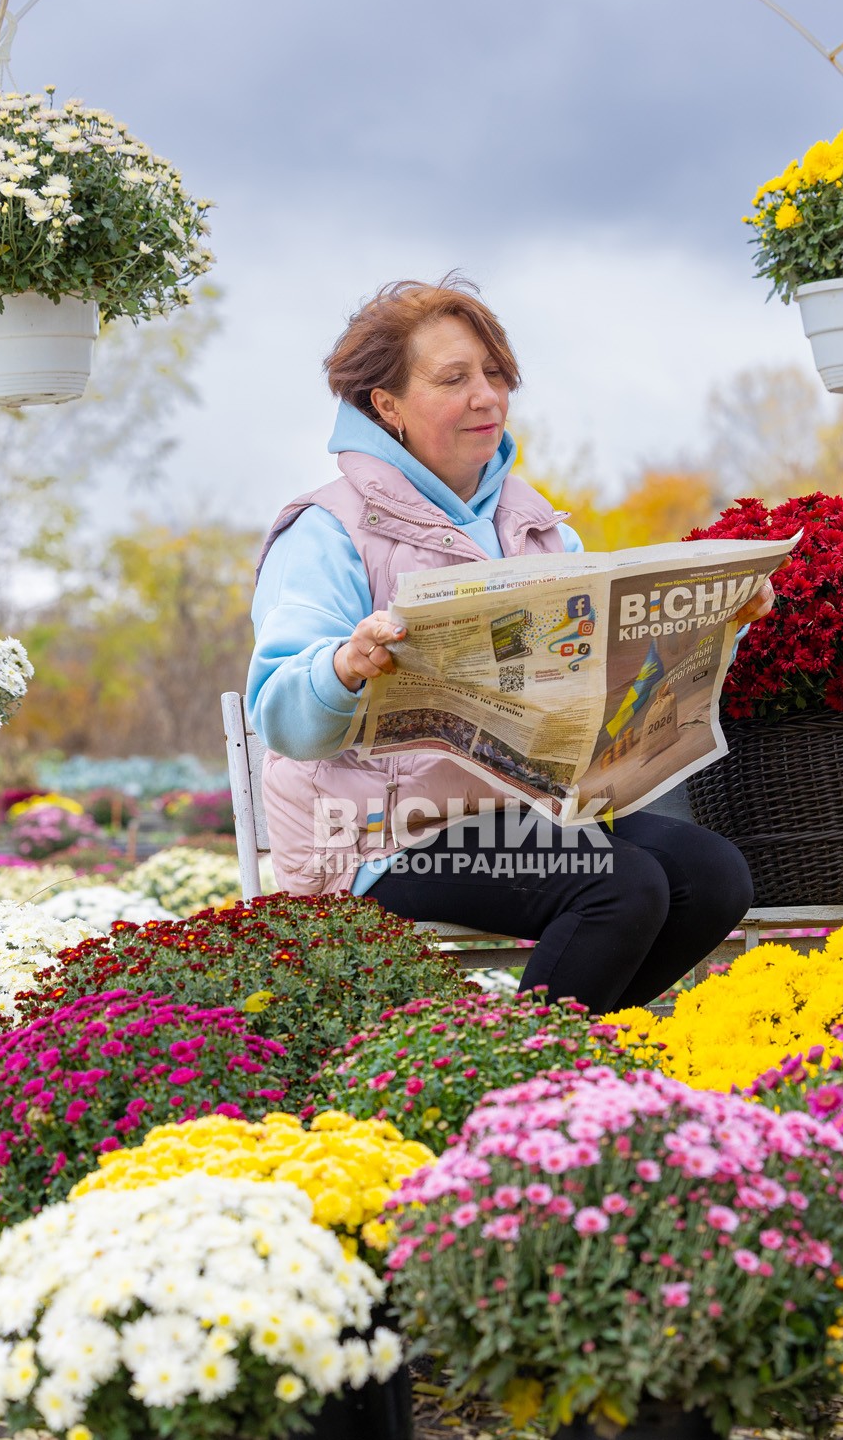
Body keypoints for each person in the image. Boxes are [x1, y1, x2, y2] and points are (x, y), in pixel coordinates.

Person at [247, 276, 773, 1013]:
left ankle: (576, 1059)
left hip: (523, 815)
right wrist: (345, 666)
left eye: (494, 374)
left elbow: (616, 690)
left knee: (714, 876)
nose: (487, 396)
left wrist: (718, 625)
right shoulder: (326, 531)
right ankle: (519, 1083)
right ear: (385, 405)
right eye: (453, 378)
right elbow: (279, 712)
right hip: (377, 839)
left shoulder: (542, 532)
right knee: (621, 886)